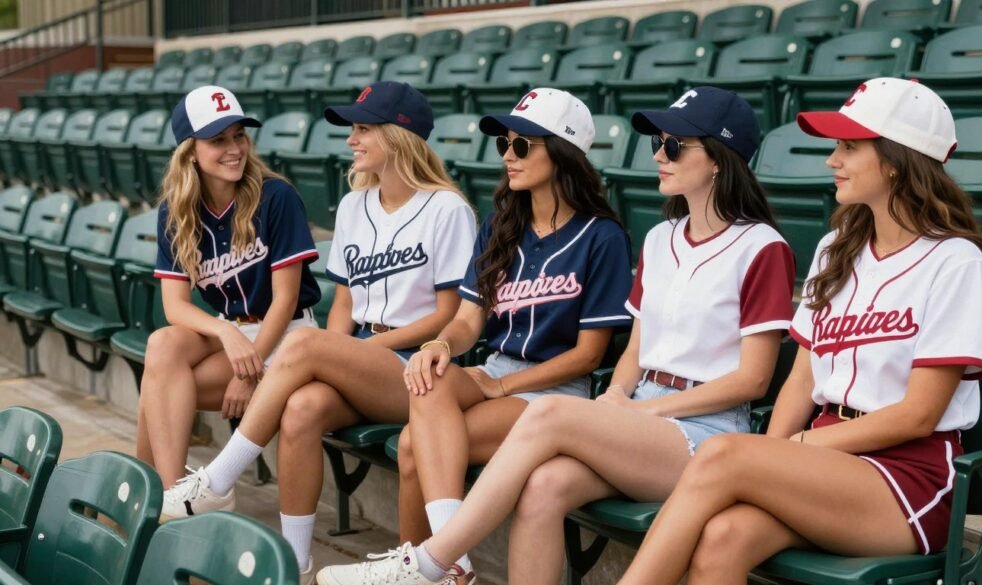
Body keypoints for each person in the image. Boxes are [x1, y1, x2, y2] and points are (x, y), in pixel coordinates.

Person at [317, 87, 797, 585]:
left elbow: (753, 381)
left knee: (547, 412)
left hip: (707, 430)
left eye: (674, 146)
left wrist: (638, 410)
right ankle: (439, 562)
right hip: (637, 416)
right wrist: (616, 395)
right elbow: (636, 347)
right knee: (543, 486)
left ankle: (432, 562)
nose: (658, 154)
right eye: (659, 142)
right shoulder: (661, 238)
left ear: (718, 160)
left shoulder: (763, 247)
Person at [615, 77, 982, 585]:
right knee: (721, 540)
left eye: (849, 147)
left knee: (723, 455)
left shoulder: (956, 262)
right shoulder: (836, 248)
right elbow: (801, 382)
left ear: (897, 159)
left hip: (906, 479)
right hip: (824, 456)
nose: (832, 160)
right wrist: (776, 452)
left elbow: (919, 415)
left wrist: (787, 451)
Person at [156, 81, 478, 582]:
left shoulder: (447, 208)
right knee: (302, 408)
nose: (352, 140)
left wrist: (353, 349)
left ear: (399, 137)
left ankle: (219, 477)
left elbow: (448, 316)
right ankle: (295, 562)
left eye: (364, 129)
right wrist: (343, 351)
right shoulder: (354, 205)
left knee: (306, 343)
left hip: (417, 367)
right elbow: (344, 302)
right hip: (363, 359)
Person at [138, 85, 321, 493]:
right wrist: (225, 332)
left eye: (238, 135)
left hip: (288, 336)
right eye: (218, 139)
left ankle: (159, 502)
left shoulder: (276, 196)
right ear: (190, 151)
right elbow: (174, 307)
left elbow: (286, 299)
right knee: (162, 348)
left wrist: (249, 368)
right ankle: (171, 493)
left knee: (156, 389)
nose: (234, 148)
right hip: (233, 334)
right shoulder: (175, 210)